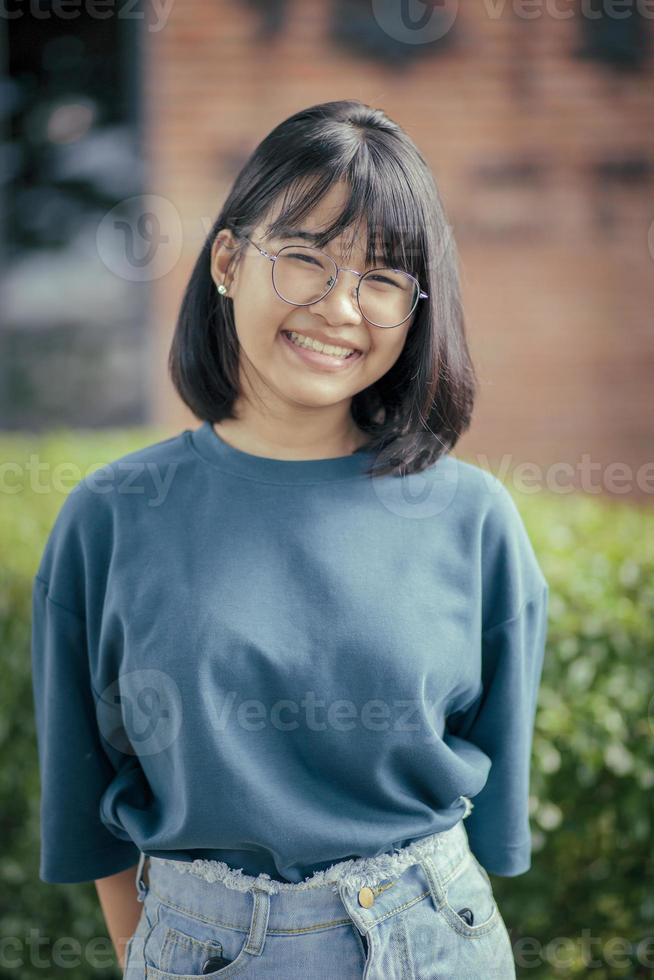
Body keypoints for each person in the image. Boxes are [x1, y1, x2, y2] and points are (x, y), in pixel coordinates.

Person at [31, 99, 549, 979]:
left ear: (415, 309)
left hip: (435, 940)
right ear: (229, 261)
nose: (339, 307)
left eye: (382, 279)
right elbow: (88, 807)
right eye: (305, 258)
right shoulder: (111, 514)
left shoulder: (474, 517)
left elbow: (493, 805)